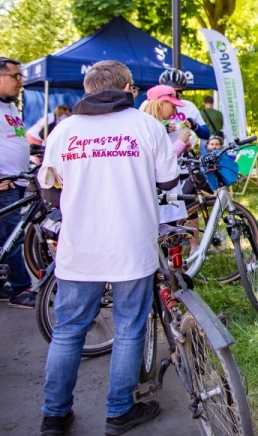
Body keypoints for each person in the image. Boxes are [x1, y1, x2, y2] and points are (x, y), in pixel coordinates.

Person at [38, 60, 179, 436]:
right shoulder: (146, 125)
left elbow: (49, 190)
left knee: (69, 330)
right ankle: (119, 411)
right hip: (132, 246)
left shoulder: (64, 130)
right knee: (129, 328)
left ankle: (54, 415)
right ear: (128, 89)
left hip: (79, 248)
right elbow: (169, 181)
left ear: (87, 90)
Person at [0, 56, 36, 309]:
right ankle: (21, 288)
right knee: (13, 237)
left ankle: (5, 286)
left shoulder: (10, 106)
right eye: (16, 76)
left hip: (17, 182)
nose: (21, 81)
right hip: (5, 185)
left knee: (7, 236)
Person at [157, 68, 210, 141]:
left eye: (179, 91)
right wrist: (164, 129)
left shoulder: (189, 106)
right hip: (164, 148)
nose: (174, 94)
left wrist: (195, 126)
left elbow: (206, 134)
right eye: (170, 90)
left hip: (185, 147)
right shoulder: (154, 105)